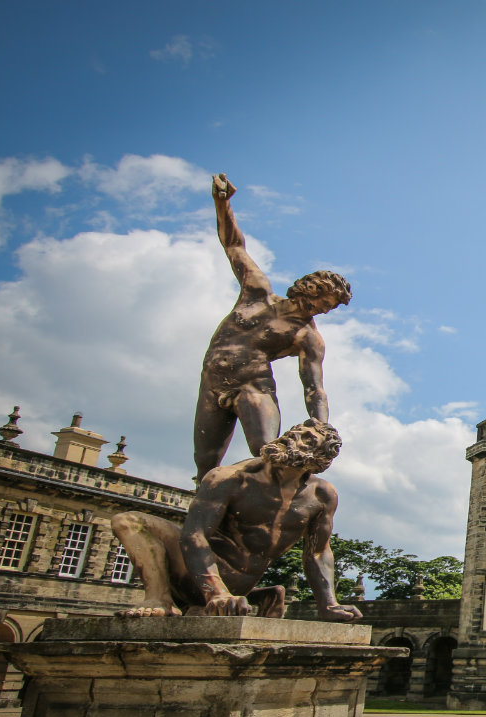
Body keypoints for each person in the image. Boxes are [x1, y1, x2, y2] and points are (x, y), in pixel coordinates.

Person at [111, 420, 361, 622]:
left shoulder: (321, 495)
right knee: (129, 521)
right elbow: (194, 535)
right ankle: (158, 599)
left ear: (320, 458)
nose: (294, 437)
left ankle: (251, 596)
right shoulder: (230, 478)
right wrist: (216, 592)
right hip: (196, 576)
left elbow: (317, 553)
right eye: (294, 431)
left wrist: (329, 605)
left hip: (239, 589)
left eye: (307, 438)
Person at [194, 173, 352, 481]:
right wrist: (222, 203)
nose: (322, 308)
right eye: (323, 300)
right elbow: (233, 245)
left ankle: (272, 507)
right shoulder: (256, 292)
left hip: (253, 386)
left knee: (268, 452)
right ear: (308, 287)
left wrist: (322, 427)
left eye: (329, 307)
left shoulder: (307, 336)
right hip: (212, 382)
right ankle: (213, 515)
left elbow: (314, 387)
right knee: (205, 462)